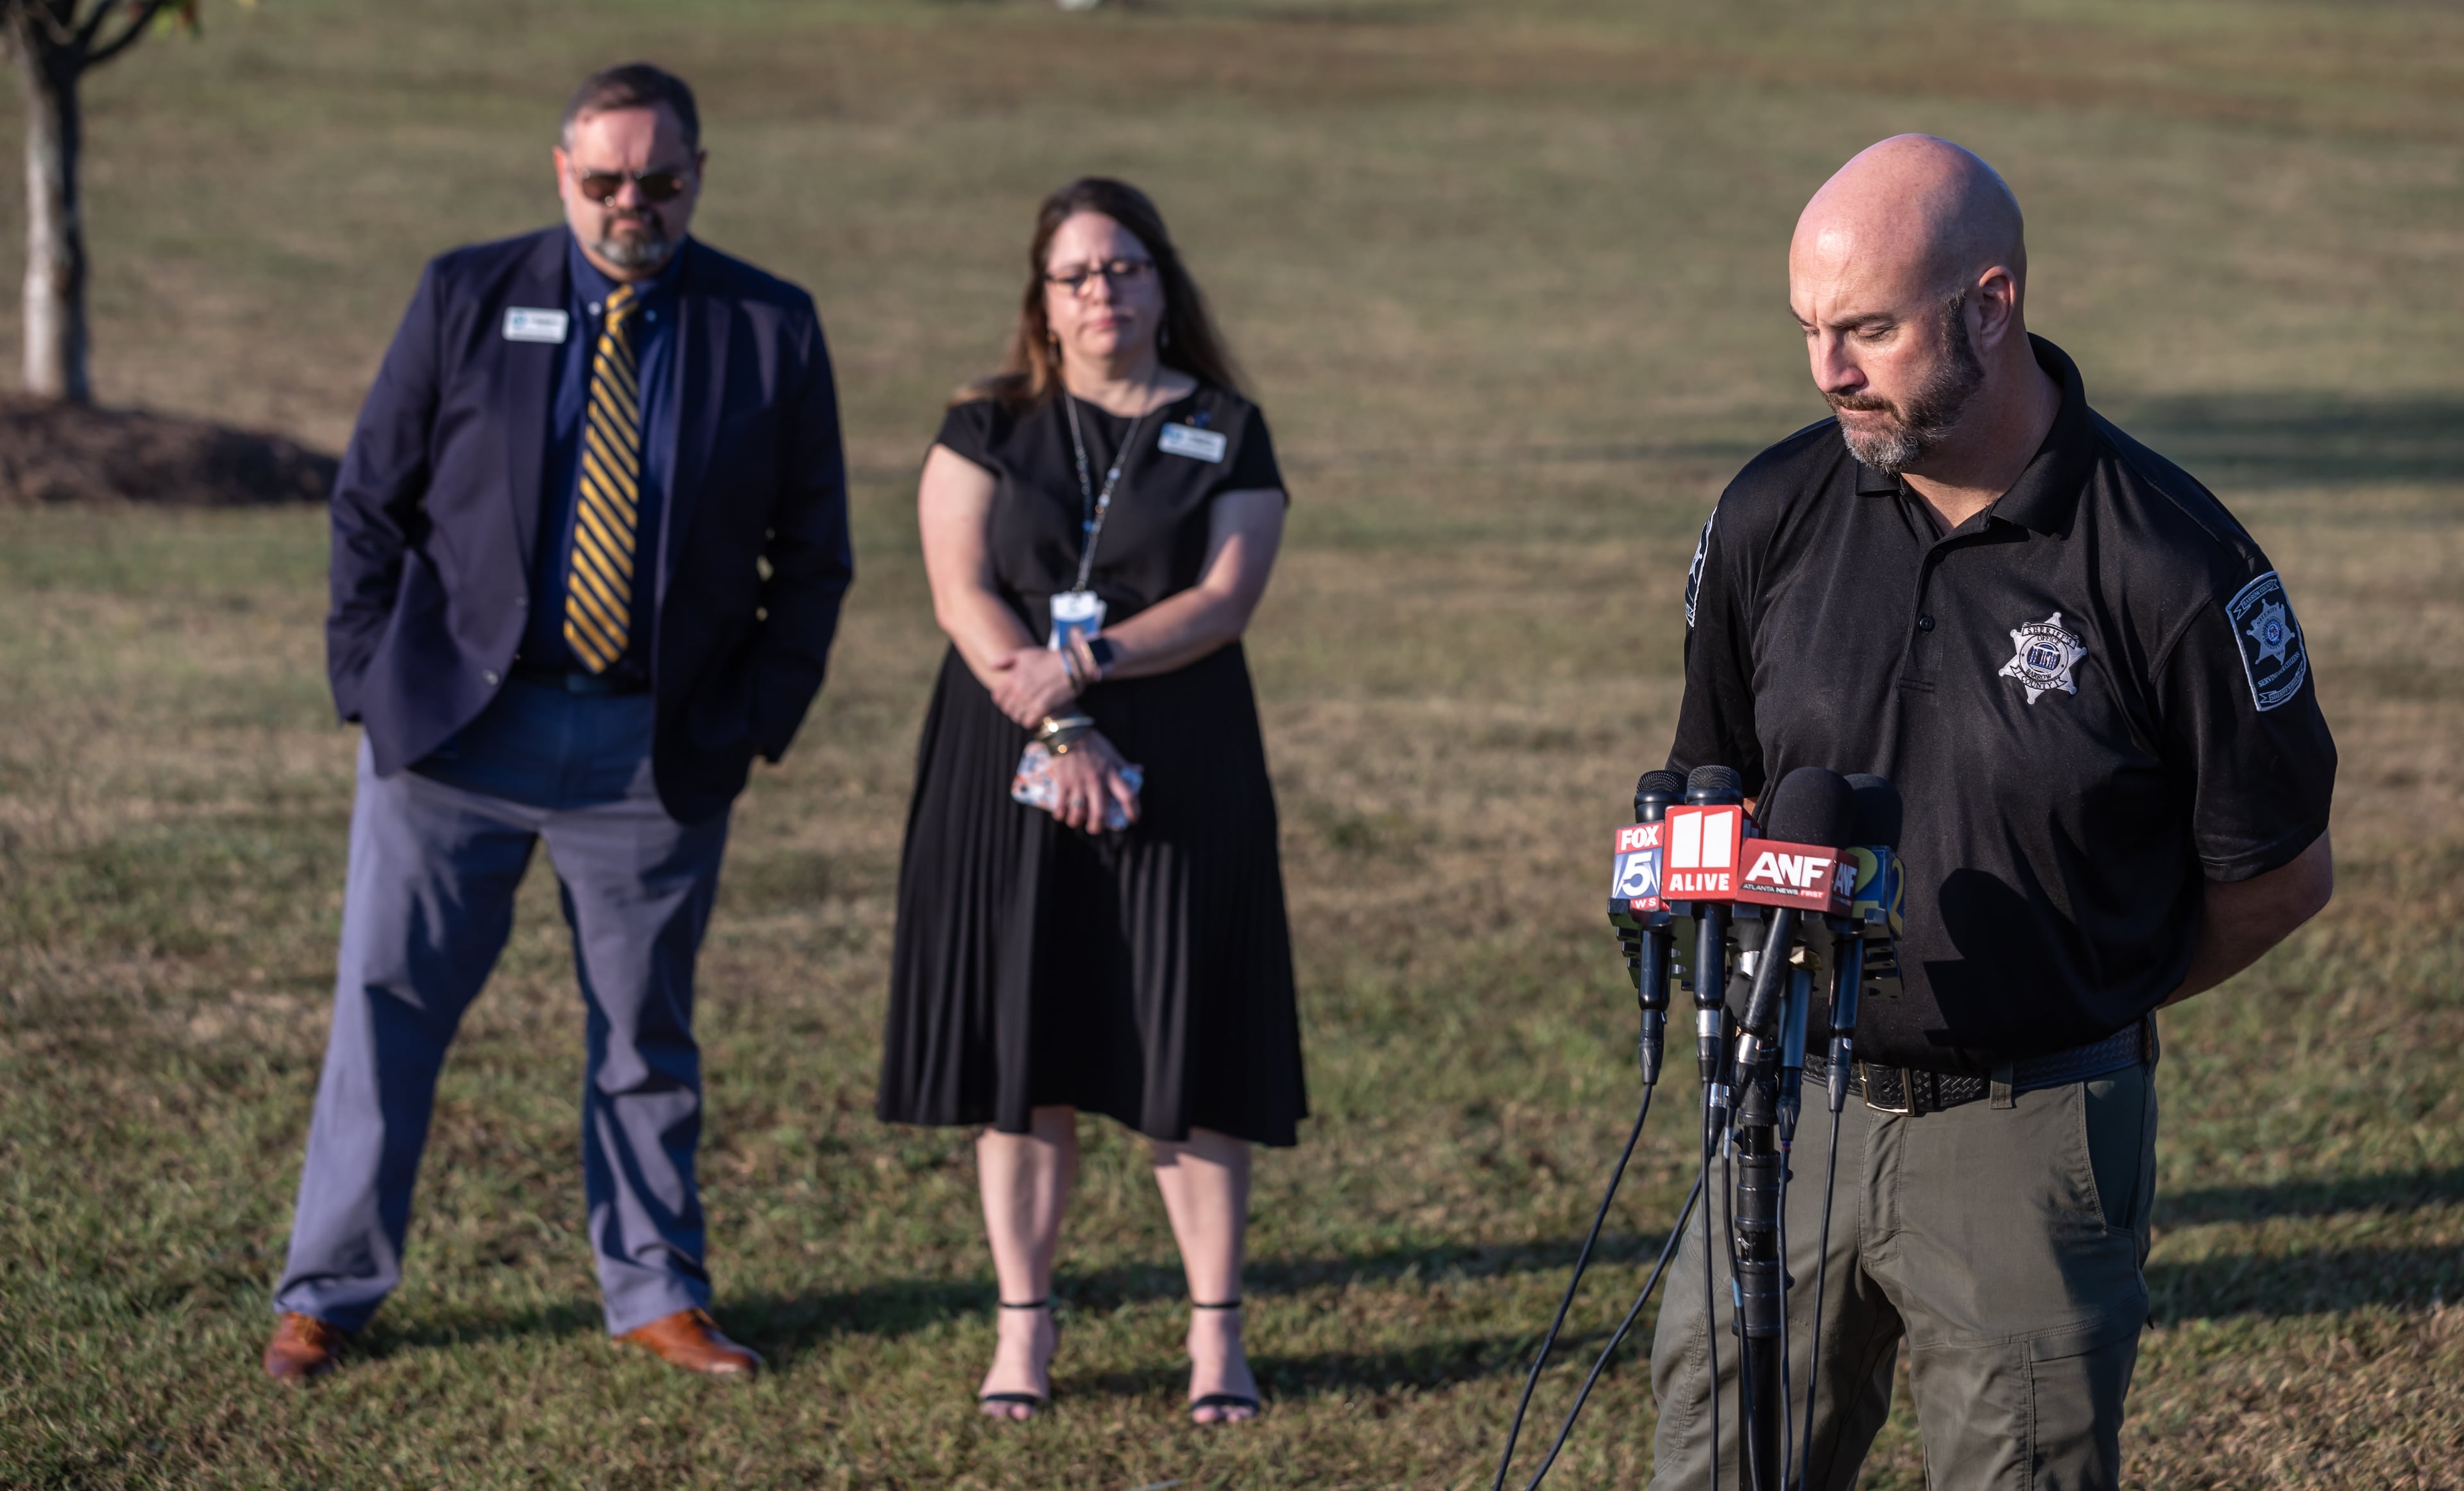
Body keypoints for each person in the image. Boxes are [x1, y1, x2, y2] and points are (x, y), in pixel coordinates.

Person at [1649, 135, 2337, 1487]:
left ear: (1991, 304)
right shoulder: (1769, 511)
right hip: (1786, 1112)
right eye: (1808, 329)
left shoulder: (2169, 558)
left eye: (1867, 330)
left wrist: (2075, 995)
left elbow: (2278, 874)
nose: (1827, 371)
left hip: (2032, 1139)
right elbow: (1710, 779)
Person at [261, 62, 853, 1384]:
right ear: (560, 172)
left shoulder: (771, 326)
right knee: (386, 1011)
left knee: (646, 1034)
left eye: (658, 180)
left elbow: (813, 556)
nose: (630, 203)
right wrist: (368, 678)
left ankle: (656, 1292)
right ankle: (329, 1291)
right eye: (604, 180)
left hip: (651, 750)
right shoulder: (467, 294)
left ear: (701, 173)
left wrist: (755, 715)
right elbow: (371, 501)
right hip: (456, 737)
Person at [875, 178, 1303, 1426]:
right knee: (1026, 1046)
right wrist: (1059, 714)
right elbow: (962, 596)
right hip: (1007, 752)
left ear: (1163, 284)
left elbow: (1226, 598)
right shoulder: (983, 424)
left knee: (1191, 1042)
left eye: (1123, 268)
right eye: (1075, 275)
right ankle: (1025, 1330)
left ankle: (1215, 1336)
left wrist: (1091, 662)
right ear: (1041, 302)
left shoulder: (1227, 425)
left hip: (1185, 756)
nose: (1101, 292)